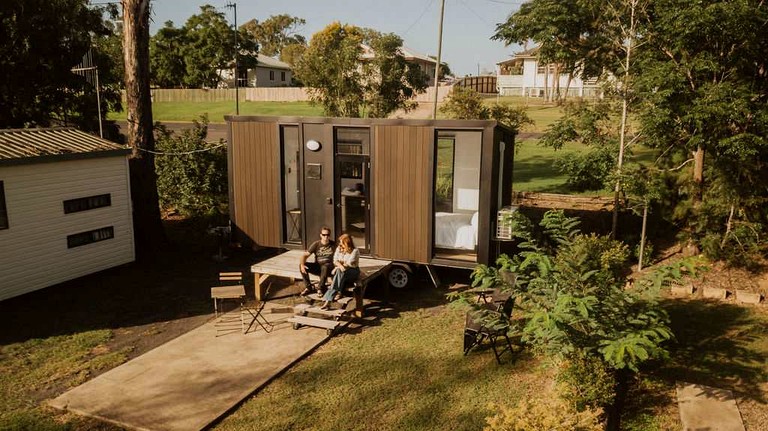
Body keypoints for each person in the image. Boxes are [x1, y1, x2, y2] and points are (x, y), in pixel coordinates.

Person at [320, 234, 360, 310]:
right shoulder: (339, 248)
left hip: (353, 271)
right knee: (340, 272)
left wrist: (337, 267)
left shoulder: (355, 251)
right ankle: (336, 294)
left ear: (347, 243)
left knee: (339, 272)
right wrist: (340, 266)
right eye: (340, 242)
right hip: (342, 271)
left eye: (342, 243)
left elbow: (349, 263)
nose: (340, 244)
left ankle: (328, 300)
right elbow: (335, 260)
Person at [299, 227, 336, 296]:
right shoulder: (316, 244)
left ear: (329, 235)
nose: (326, 236)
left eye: (327, 235)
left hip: (329, 268)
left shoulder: (333, 245)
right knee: (303, 265)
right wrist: (302, 265)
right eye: (324, 235)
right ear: (320, 235)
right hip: (318, 266)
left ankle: (320, 288)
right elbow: (304, 255)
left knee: (325, 266)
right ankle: (308, 287)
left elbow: (340, 256)